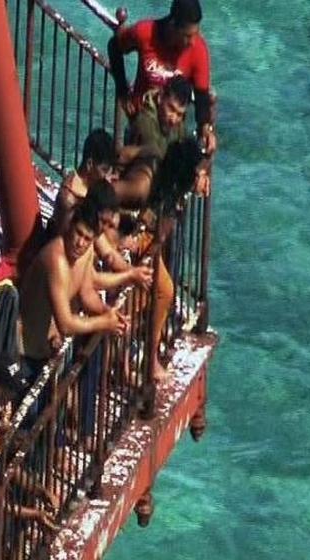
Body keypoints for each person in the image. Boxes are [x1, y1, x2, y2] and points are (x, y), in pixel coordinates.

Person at [19, 200, 130, 379]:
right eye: (78, 233)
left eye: (87, 238)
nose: (80, 243)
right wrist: (105, 323)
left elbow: (86, 293)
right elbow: (65, 324)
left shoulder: (84, 253)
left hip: (46, 351)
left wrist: (109, 314)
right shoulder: (56, 259)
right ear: (69, 228)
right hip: (24, 353)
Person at [108, 0, 217, 155]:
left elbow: (202, 97)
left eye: (195, 34)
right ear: (173, 25)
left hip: (171, 134)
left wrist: (206, 128)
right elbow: (114, 45)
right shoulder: (145, 32)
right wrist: (122, 91)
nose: (192, 42)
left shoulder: (198, 50)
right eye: (187, 36)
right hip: (139, 129)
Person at [145, 139, 206, 384]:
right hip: (144, 244)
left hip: (149, 241)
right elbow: (154, 233)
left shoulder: (168, 184)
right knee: (165, 291)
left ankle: (153, 342)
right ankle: (150, 359)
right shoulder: (166, 195)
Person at [114, 76, 197, 205]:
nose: (173, 118)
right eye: (171, 108)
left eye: (179, 114)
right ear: (160, 98)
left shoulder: (177, 126)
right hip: (135, 187)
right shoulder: (145, 121)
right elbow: (158, 155)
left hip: (156, 188)